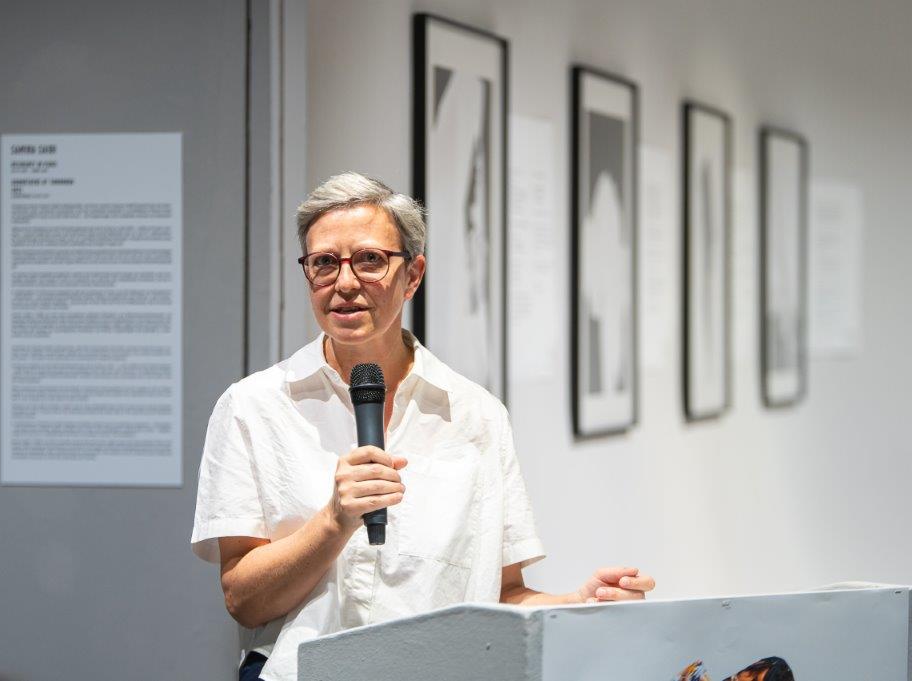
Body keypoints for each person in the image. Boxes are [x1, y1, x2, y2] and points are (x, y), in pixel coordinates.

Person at [190, 172, 656, 681]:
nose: (344, 283)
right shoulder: (252, 406)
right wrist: (334, 521)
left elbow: (501, 595)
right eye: (324, 263)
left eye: (369, 260)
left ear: (412, 275)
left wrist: (578, 605)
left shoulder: (476, 414)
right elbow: (244, 601)